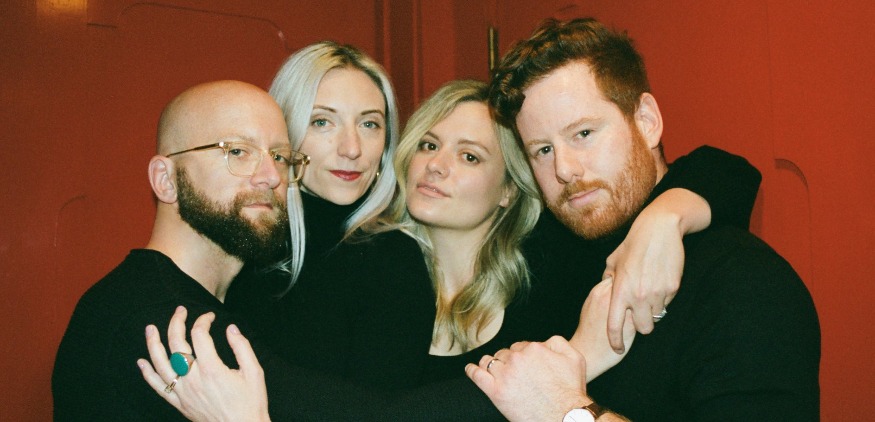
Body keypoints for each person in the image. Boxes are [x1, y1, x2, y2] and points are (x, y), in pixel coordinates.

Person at [136, 79, 762, 420]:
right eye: (429, 145)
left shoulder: (552, 267)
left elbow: (729, 171)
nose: (436, 166)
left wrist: (665, 219)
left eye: (469, 156)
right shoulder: (358, 263)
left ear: (508, 189)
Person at [465, 18, 820, 421]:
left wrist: (566, 411)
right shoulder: (538, 264)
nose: (564, 168)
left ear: (647, 122)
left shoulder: (742, 282)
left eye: (583, 133)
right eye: (542, 150)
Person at [51, 80, 306, 420]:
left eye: (279, 156)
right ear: (165, 179)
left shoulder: (205, 306)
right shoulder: (157, 323)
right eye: (237, 151)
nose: (272, 176)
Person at [228, 41, 400, 295]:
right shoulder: (240, 240)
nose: (351, 149)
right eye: (322, 122)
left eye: (369, 124)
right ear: (284, 130)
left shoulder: (396, 259)